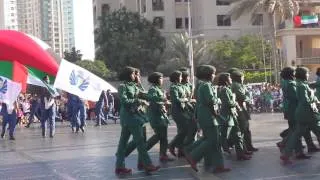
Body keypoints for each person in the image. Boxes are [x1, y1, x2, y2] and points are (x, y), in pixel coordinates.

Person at [185, 65, 230, 173]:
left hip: (207, 115)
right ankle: (193, 157)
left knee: (215, 142)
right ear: (209, 75)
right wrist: (218, 100)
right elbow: (211, 101)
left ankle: (219, 165)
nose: (215, 76)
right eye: (213, 74)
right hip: (208, 116)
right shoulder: (206, 86)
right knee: (212, 140)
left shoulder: (205, 85)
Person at [115, 67, 160, 175]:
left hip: (134, 117)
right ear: (127, 75)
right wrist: (139, 100)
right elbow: (125, 101)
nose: (135, 76)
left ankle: (119, 166)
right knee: (140, 141)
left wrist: (159, 98)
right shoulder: (123, 87)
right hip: (129, 117)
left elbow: (146, 95)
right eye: (133, 74)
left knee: (123, 143)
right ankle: (147, 164)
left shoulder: (134, 86)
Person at [281, 67, 320, 164]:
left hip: (303, 113)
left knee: (296, 134)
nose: (308, 75)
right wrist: (314, 100)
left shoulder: (301, 84)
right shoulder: (301, 85)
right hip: (307, 114)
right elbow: (304, 100)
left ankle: (286, 154)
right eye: (307, 73)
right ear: (303, 74)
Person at [218, 73, 251, 161]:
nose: (231, 80)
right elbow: (227, 103)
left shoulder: (227, 89)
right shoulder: (224, 90)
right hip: (227, 116)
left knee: (237, 135)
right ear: (226, 81)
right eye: (229, 79)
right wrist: (234, 101)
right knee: (224, 136)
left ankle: (241, 153)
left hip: (232, 114)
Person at [145, 72, 174, 162]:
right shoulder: (153, 89)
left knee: (164, 137)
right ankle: (143, 150)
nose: (162, 80)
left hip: (162, 116)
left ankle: (163, 154)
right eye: (160, 78)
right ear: (156, 80)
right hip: (156, 117)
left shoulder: (159, 89)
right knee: (158, 136)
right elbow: (152, 99)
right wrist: (164, 100)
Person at [229, 69, 258, 152]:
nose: (243, 78)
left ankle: (246, 147)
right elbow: (243, 96)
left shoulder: (238, 85)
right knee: (242, 129)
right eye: (242, 77)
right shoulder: (236, 85)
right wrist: (248, 98)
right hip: (240, 109)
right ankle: (242, 149)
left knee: (245, 129)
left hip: (242, 108)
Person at [168, 70, 189, 157]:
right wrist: (186, 99)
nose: (181, 78)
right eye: (180, 77)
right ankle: (172, 144)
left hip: (183, 110)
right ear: (176, 78)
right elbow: (175, 99)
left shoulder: (180, 86)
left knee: (184, 130)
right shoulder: (173, 87)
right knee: (184, 129)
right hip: (177, 111)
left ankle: (181, 149)